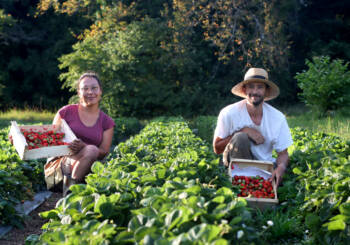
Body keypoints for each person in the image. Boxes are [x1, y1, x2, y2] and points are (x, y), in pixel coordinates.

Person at [213, 68, 293, 186]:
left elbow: (283, 154)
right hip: (237, 166)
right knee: (241, 137)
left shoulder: (277, 117)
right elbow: (217, 148)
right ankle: (238, 183)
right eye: (251, 87)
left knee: (274, 185)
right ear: (244, 90)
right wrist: (242, 131)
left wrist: (281, 167)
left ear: (266, 91)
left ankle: (259, 187)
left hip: (264, 167)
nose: (255, 91)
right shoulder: (229, 113)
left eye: (260, 87)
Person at [50, 71, 115, 196]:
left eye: (94, 88)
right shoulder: (65, 112)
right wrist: (23, 140)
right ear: (79, 92)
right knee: (91, 150)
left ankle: (71, 190)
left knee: (91, 150)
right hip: (63, 164)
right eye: (85, 89)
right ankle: (70, 192)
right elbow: (50, 138)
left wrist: (84, 147)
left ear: (100, 91)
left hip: (91, 165)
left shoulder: (107, 121)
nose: (90, 92)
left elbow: (103, 152)